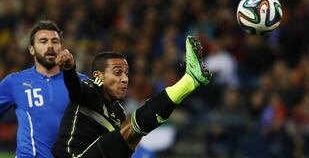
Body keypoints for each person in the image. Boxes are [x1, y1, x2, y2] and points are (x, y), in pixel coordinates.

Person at [52, 35, 212, 157]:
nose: (124, 79)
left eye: (127, 74)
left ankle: (190, 81)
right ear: (98, 76)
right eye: (117, 72)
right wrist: (69, 70)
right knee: (132, 129)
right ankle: (189, 81)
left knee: (134, 133)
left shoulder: (119, 112)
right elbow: (75, 89)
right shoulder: (92, 88)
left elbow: (121, 149)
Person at [0, 20, 88, 158]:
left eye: (55, 41)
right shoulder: (14, 82)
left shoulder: (81, 82)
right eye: (43, 41)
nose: (50, 46)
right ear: (31, 49)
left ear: (62, 47)